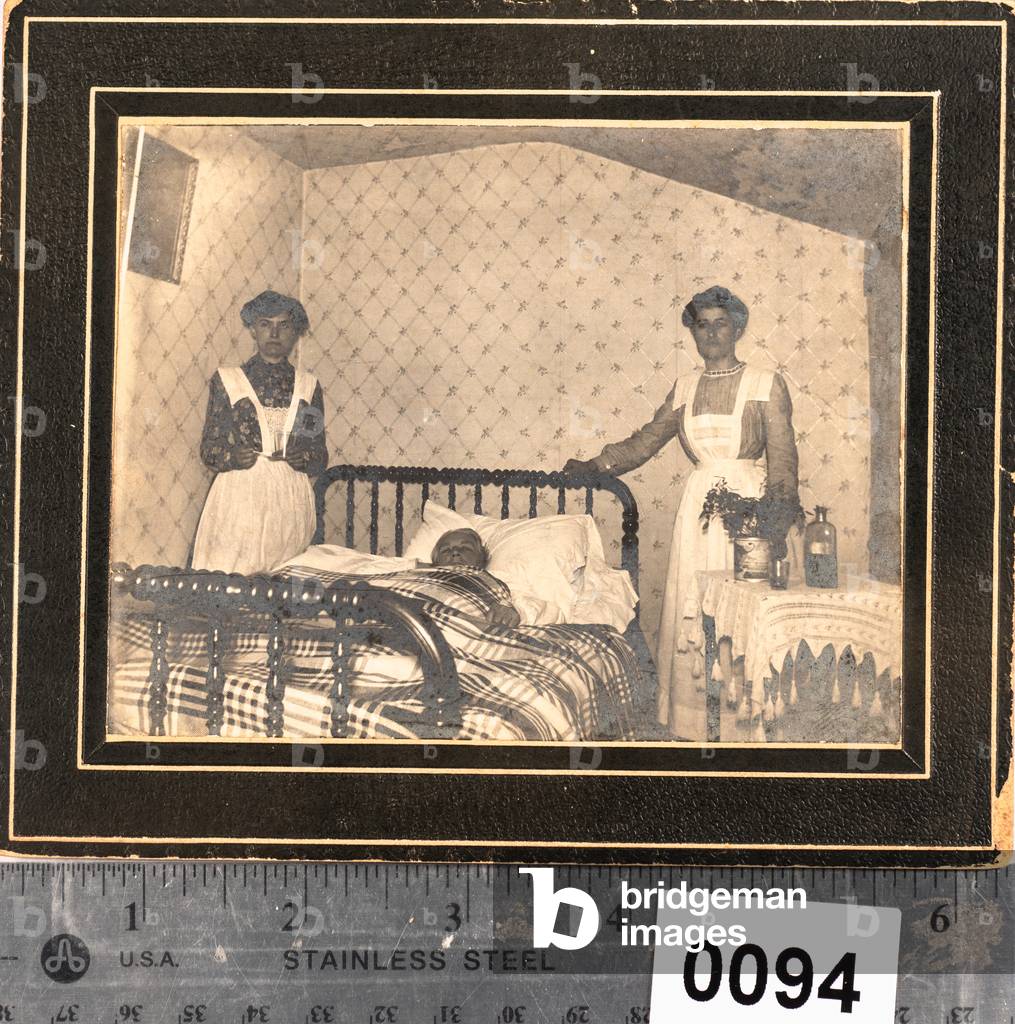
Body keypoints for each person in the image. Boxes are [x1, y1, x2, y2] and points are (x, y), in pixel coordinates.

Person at [563, 285, 799, 737]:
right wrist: (595, 465)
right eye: (702, 325)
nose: (711, 333)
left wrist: (772, 526)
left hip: (750, 513)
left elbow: (784, 462)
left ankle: (746, 726)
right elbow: (646, 441)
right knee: (697, 613)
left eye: (721, 323)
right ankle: (697, 723)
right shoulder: (685, 386)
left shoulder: (765, 383)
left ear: (738, 328)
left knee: (744, 612)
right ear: (693, 332)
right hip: (698, 513)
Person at [191, 290, 328, 575]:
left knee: (283, 581)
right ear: (253, 329)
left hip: (290, 497)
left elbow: (318, 454)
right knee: (233, 577)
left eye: (284, 325)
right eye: (265, 324)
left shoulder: (308, 387)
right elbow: (209, 448)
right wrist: (232, 455)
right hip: (240, 494)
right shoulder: (228, 381)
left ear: (296, 332)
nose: (274, 333)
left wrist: (304, 456)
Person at [429, 528, 522, 628]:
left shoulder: (499, 578)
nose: (455, 552)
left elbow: (528, 604)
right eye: (446, 550)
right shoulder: (421, 574)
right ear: (436, 561)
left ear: (480, 558)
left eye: (465, 548)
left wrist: (509, 608)